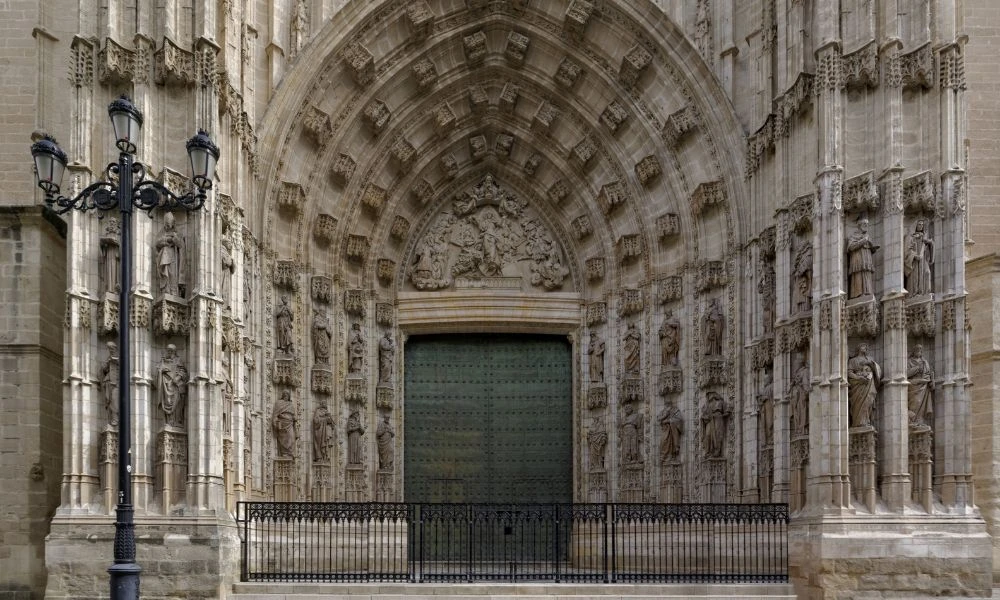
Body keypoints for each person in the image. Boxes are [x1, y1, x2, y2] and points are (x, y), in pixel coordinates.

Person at [848, 344, 882, 428]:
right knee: (858, 403)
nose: (865, 348)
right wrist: (858, 377)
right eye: (863, 346)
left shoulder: (870, 359)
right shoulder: (853, 360)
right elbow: (849, 372)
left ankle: (866, 421)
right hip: (857, 384)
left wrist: (870, 364)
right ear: (858, 348)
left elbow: (877, 371)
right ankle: (858, 422)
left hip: (869, 383)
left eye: (866, 347)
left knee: (869, 401)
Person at [156, 344, 188, 429]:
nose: (169, 352)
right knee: (167, 402)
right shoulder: (163, 361)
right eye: (168, 350)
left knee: (177, 403)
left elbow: (183, 372)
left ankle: (176, 421)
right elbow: (159, 370)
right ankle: (168, 421)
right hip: (166, 385)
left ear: (174, 352)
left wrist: (177, 378)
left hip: (176, 386)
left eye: (171, 351)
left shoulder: (178, 360)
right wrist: (161, 371)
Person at [847, 217, 878, 299]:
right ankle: (858, 293)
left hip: (867, 259)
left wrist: (873, 247)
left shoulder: (867, 236)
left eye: (867, 224)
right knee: (858, 274)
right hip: (857, 259)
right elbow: (850, 247)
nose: (866, 226)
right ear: (859, 225)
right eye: (864, 224)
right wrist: (863, 241)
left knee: (867, 273)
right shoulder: (854, 236)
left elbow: (870, 248)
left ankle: (867, 292)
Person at [156, 212, 184, 296]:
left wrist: (174, 238)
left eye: (168, 223)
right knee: (166, 273)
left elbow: (181, 245)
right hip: (164, 256)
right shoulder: (162, 232)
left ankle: (173, 293)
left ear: (173, 223)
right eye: (166, 224)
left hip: (173, 258)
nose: (167, 226)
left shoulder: (177, 232)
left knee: (173, 275)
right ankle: (166, 290)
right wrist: (168, 240)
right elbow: (157, 243)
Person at [904, 220, 934, 296]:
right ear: (916, 226)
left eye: (922, 225)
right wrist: (914, 256)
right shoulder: (911, 237)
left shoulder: (924, 237)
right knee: (915, 276)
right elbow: (907, 250)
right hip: (915, 261)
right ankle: (915, 293)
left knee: (927, 272)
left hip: (923, 260)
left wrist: (929, 243)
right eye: (919, 224)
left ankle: (925, 291)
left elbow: (931, 247)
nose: (921, 226)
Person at [907, 345, 934, 427]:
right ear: (913, 351)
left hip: (923, 385)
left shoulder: (924, 362)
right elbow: (906, 374)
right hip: (913, 384)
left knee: (921, 403)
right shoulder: (909, 361)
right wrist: (916, 368)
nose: (918, 352)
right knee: (916, 401)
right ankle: (912, 419)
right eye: (917, 350)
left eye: (920, 350)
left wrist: (930, 379)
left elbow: (928, 373)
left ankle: (919, 420)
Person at [701, 392, 729, 458]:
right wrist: (704, 417)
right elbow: (703, 414)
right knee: (708, 435)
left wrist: (720, 415)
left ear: (714, 395)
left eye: (709, 394)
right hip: (710, 421)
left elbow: (726, 411)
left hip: (718, 420)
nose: (708, 396)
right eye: (707, 395)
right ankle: (708, 452)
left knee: (717, 435)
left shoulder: (721, 402)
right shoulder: (707, 405)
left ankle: (717, 451)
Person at [100, 341, 119, 428]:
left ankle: (115, 419)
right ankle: (111, 419)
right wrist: (107, 364)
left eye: (112, 348)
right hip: (109, 382)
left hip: (116, 383)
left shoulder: (119, 358)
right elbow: (103, 369)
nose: (111, 350)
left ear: (115, 349)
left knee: (114, 401)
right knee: (109, 400)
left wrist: (115, 361)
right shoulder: (109, 358)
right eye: (109, 349)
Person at [272, 390, 296, 458]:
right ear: (282, 395)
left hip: (290, 424)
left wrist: (294, 418)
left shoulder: (290, 404)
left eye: (287, 394)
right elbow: (275, 415)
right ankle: (285, 453)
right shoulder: (279, 403)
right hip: (282, 424)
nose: (286, 395)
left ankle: (290, 453)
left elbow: (293, 414)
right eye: (285, 394)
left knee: (291, 438)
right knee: (284, 439)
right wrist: (275, 422)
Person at [790, 358, 810, 436]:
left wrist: (806, 392)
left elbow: (805, 384)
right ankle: (799, 429)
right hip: (798, 397)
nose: (795, 366)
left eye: (796, 364)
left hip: (802, 395)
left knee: (802, 411)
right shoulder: (798, 373)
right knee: (798, 412)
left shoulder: (804, 371)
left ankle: (802, 429)